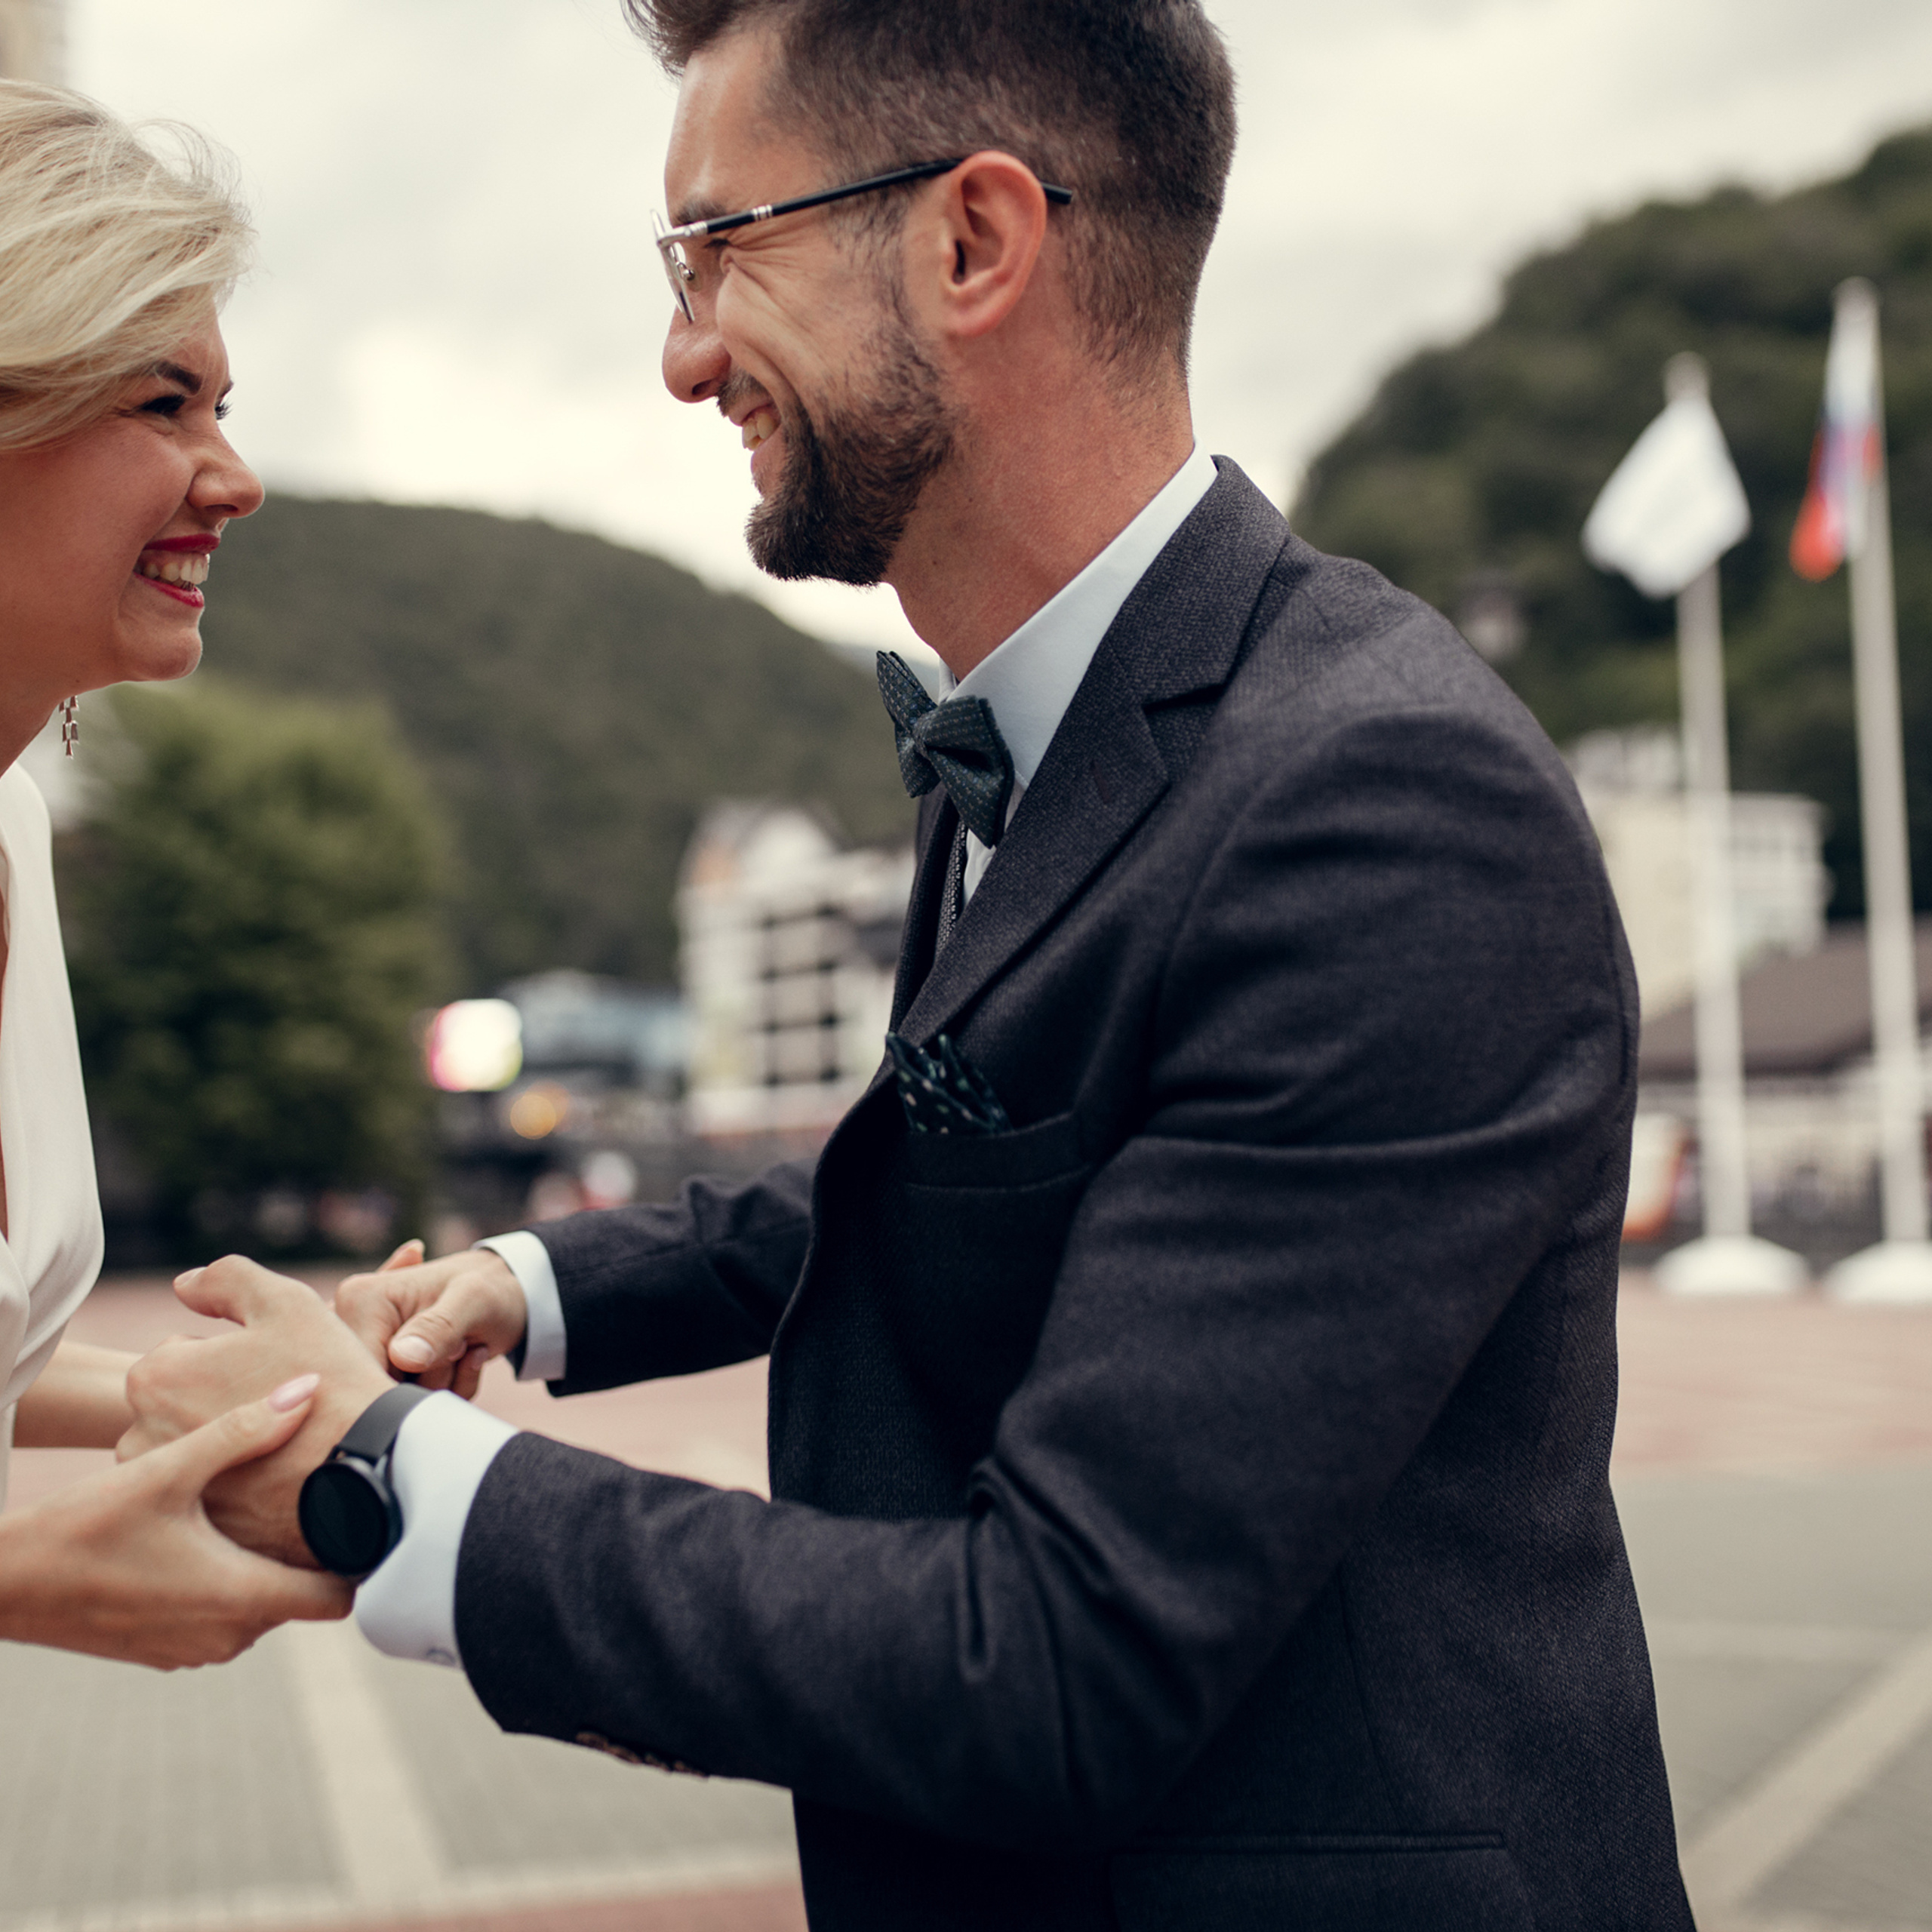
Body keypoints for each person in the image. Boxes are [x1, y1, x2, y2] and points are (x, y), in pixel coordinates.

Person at [126, 2, 1694, 1924]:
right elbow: (964, 1176)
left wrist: (387, 1475)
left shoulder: (1376, 801)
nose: (685, 349)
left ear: (971, 241)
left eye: (719, 248)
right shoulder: (1044, 732)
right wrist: (525, 1283)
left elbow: (1054, 1663)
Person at [0, 80, 349, 1667]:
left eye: (222, 403)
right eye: (166, 404)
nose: (236, 474)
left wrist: (273, 1388)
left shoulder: (16, 824)